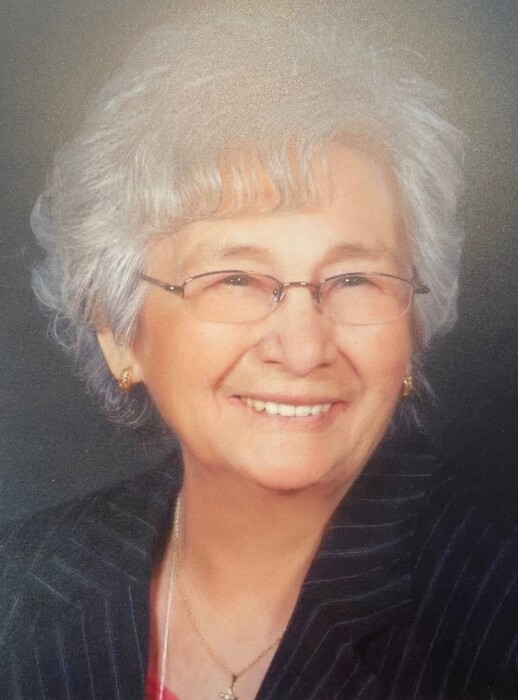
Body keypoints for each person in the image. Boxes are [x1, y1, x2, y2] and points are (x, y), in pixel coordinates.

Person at [1, 10, 517, 700]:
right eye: (235, 279)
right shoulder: (20, 581)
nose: (302, 349)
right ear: (119, 333)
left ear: (413, 327)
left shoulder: (494, 621)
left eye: (355, 279)